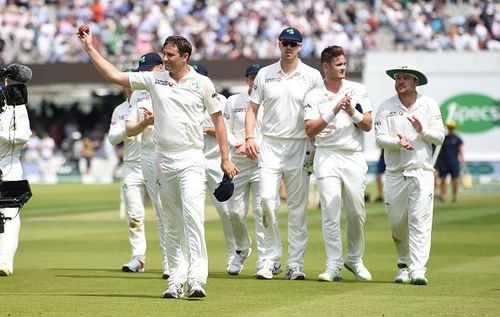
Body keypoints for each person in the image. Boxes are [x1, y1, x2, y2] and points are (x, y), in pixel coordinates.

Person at [78, 29, 237, 299]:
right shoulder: (155, 80)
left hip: (190, 157)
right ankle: (175, 280)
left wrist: (225, 157)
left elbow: (219, 121)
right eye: (164, 53)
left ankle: (197, 279)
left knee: (193, 217)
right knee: (171, 220)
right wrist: (89, 47)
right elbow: (114, 76)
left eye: (170, 55)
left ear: (185, 57)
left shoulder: (202, 84)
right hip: (163, 158)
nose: (165, 58)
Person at [245, 27, 323, 280]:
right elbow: (252, 109)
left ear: (300, 47)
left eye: (294, 44)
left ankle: (295, 264)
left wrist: (316, 146)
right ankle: (269, 259)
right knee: (266, 201)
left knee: (298, 209)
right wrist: (249, 137)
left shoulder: (312, 76)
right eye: (285, 43)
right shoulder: (265, 74)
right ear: (278, 45)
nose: (289, 48)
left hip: (300, 145)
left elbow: (320, 112)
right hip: (270, 145)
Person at [304, 45, 373, 282]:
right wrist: (334, 110)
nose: (343, 68)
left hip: (352, 156)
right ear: (325, 67)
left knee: (356, 212)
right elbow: (310, 129)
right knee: (330, 212)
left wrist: (351, 111)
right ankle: (333, 264)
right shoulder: (314, 95)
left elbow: (367, 124)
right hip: (326, 155)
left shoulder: (357, 90)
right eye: (338, 64)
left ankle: (354, 259)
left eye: (344, 64)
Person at [375, 64, 445, 285]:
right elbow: (379, 138)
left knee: (419, 220)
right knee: (397, 223)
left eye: (406, 78)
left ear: (416, 82)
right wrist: (398, 142)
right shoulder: (386, 107)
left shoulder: (429, 105)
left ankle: (417, 269)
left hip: (421, 171)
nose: (400, 82)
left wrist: (422, 131)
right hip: (395, 173)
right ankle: (404, 264)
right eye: (398, 78)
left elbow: (440, 137)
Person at [124, 53, 171, 279]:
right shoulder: (139, 94)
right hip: (148, 153)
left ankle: (185, 259)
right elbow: (130, 129)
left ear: (161, 67)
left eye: (148, 69)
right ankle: (170, 262)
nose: (143, 73)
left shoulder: (173, 85)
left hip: (172, 151)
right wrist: (146, 122)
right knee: (161, 211)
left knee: (176, 209)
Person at [192, 63, 237, 271]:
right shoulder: (185, 99)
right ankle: (193, 260)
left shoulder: (221, 100)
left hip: (215, 160)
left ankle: (233, 253)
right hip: (193, 160)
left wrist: (209, 130)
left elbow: (225, 128)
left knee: (225, 210)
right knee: (193, 212)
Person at [224, 63, 267, 275]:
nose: (253, 81)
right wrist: (238, 144)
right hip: (238, 164)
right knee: (234, 212)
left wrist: (256, 145)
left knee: (262, 211)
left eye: (257, 77)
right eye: (251, 77)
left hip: (261, 163)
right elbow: (225, 128)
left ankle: (264, 259)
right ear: (246, 79)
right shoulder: (234, 101)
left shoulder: (269, 101)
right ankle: (242, 249)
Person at [0, 80, 32, 277]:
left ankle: (4, 261)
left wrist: (2, 136)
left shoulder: (16, 107)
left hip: (9, 168)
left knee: (10, 215)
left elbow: (23, 135)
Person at [436, 120, 465, 203]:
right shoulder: (443, 138)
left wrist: (463, 161)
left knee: (455, 180)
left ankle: (454, 196)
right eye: (449, 127)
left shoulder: (457, 139)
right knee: (443, 179)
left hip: (454, 162)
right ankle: (443, 195)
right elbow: (439, 150)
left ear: (454, 128)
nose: (450, 129)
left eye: (451, 128)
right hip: (443, 162)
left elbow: (461, 151)